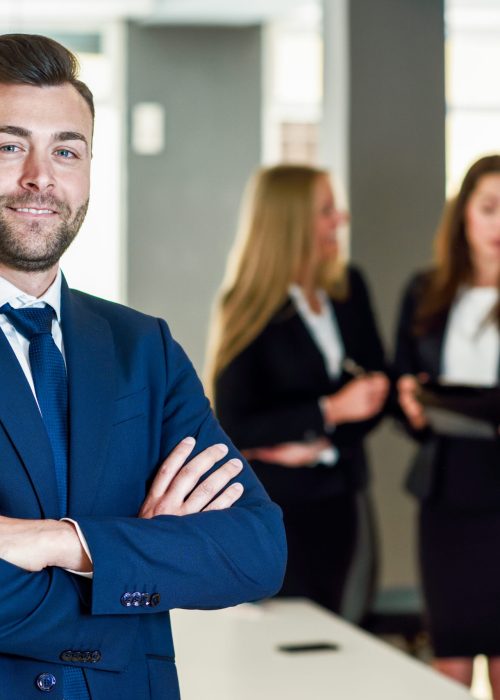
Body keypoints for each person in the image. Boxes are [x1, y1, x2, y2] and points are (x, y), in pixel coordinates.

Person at [0, 33, 286, 699]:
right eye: (9, 145)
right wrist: (140, 562)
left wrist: (65, 543)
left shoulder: (141, 348)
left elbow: (256, 550)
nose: (41, 176)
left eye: (66, 151)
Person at [205, 164, 389, 614]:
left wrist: (317, 436)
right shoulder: (246, 306)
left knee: (347, 630)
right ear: (292, 223)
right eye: (327, 210)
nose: (340, 220)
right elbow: (234, 423)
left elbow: (375, 391)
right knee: (288, 638)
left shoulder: (349, 290)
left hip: (344, 494)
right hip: (277, 506)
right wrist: (327, 412)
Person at [394, 154, 500, 696]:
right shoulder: (427, 291)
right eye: (489, 208)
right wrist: (411, 405)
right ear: (465, 216)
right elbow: (402, 384)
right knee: (451, 650)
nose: (499, 223)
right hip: (447, 492)